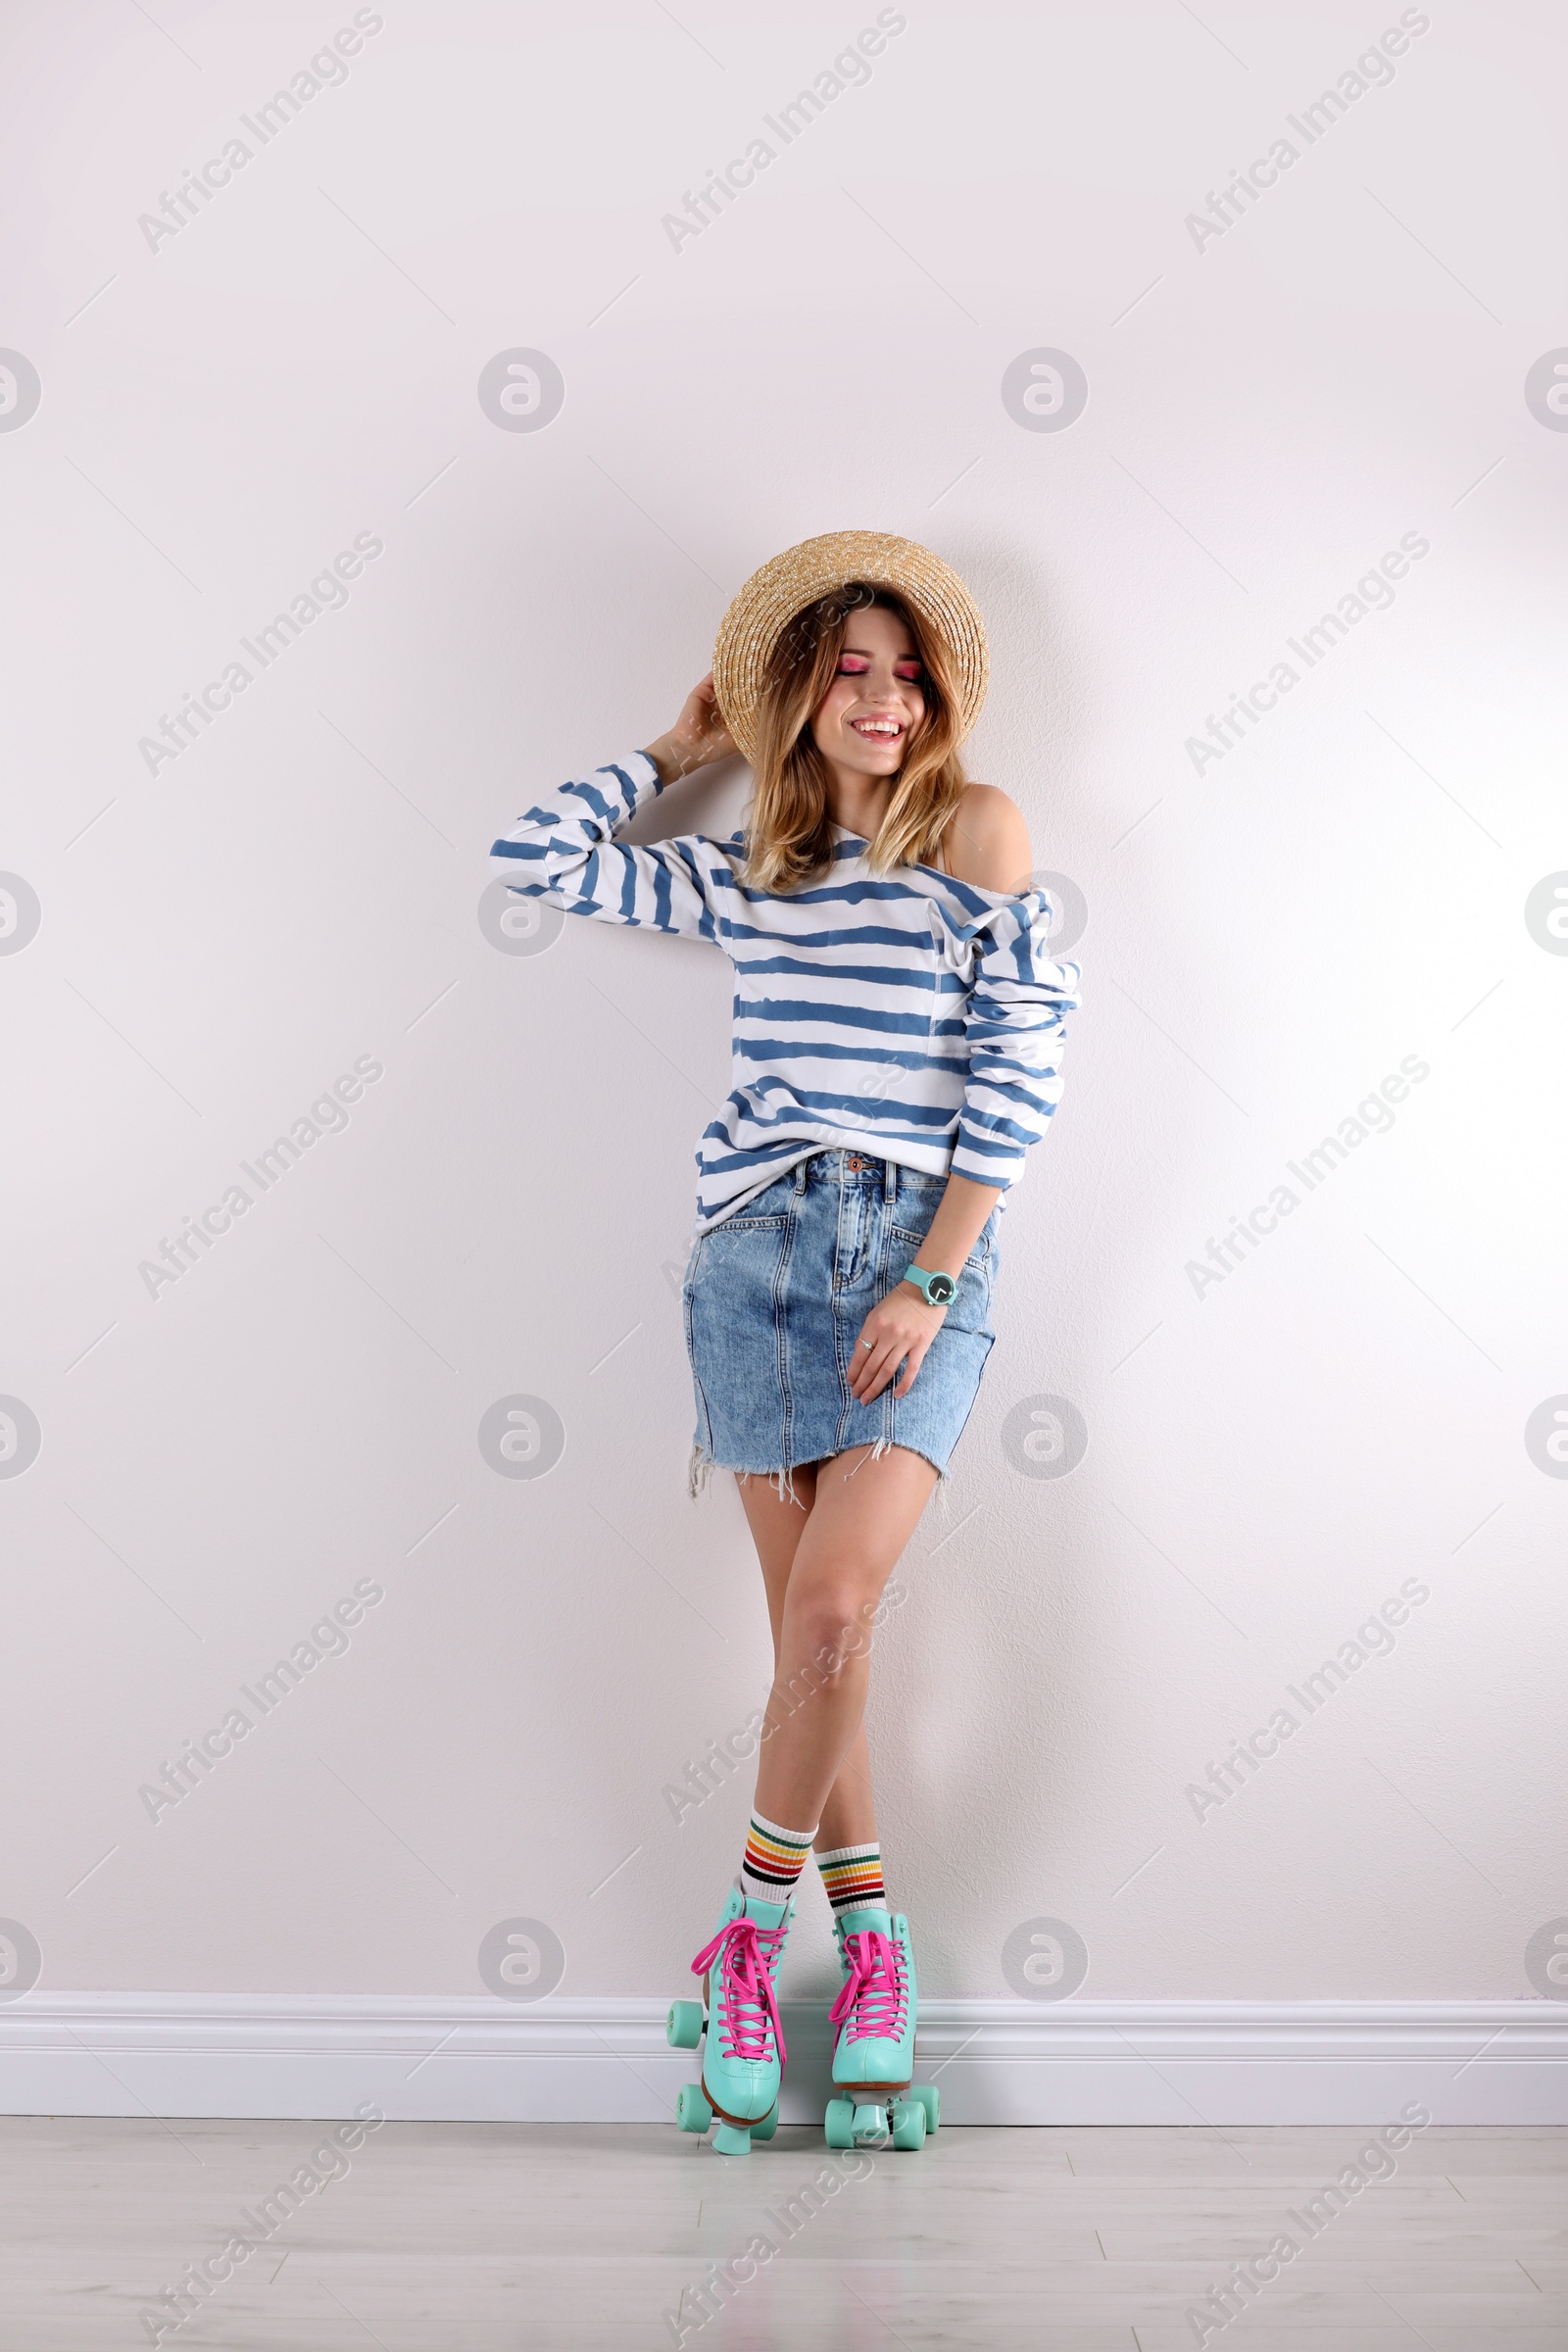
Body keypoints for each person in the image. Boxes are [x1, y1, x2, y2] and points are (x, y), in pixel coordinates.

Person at [488, 531, 1082, 2153]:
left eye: (907, 671)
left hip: (912, 1257)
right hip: (751, 1258)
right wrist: (683, 750)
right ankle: (872, 1961)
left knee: (834, 1602)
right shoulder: (750, 860)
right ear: (795, 691)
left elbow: (1019, 1076)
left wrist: (932, 1283)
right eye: (847, 666)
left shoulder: (978, 831)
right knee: (822, 1648)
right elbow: (531, 853)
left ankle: (747, 1944)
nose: (882, 697)